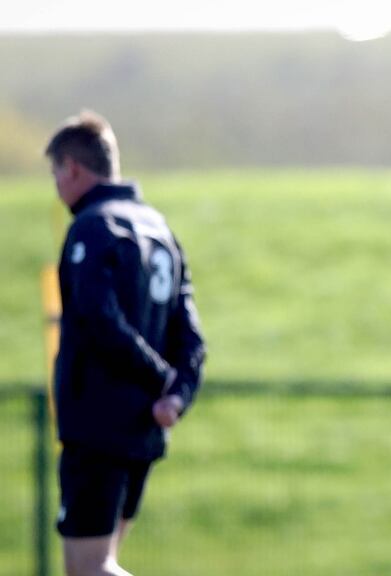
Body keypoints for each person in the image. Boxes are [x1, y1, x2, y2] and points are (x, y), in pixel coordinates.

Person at [46, 110, 206, 576]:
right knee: (103, 562)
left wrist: (160, 379)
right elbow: (191, 333)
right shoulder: (160, 229)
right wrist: (176, 395)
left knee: (88, 568)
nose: (56, 186)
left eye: (56, 173)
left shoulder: (94, 227)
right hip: (143, 427)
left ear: (72, 168)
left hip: (98, 423)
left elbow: (100, 319)